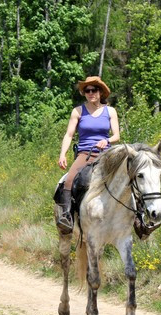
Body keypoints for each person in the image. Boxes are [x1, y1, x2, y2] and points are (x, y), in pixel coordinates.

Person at [56, 76, 120, 229]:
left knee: (128, 177)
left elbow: (117, 136)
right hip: (85, 153)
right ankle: (66, 217)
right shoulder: (78, 111)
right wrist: (62, 154)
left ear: (101, 92)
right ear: (84, 93)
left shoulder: (110, 111)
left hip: (106, 153)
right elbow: (69, 135)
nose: (91, 93)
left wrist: (107, 141)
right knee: (69, 180)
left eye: (94, 90)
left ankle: (139, 219)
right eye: (87, 90)